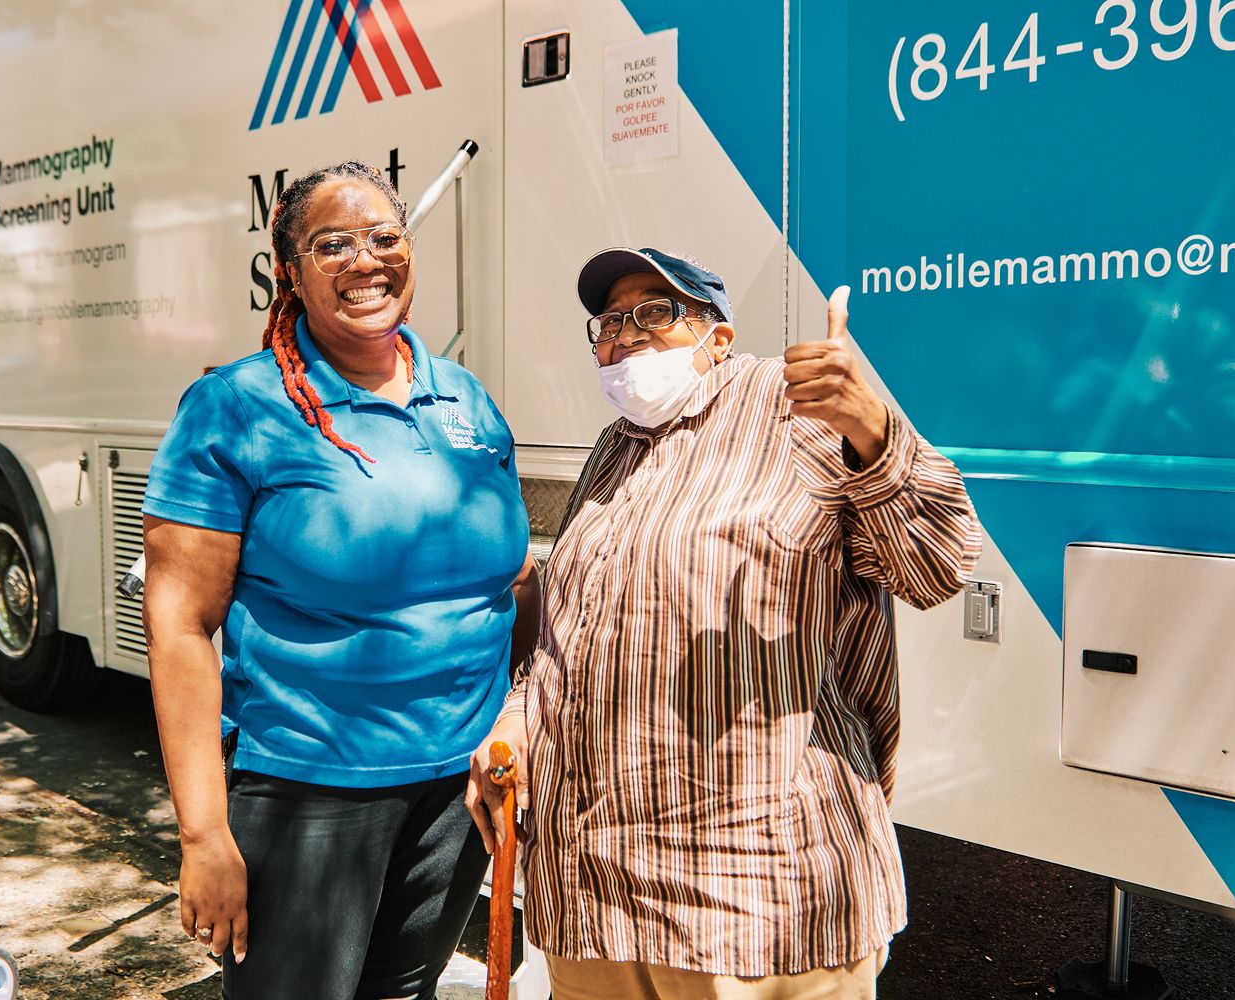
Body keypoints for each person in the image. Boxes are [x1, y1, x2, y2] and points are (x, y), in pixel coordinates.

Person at [466, 248, 981, 999]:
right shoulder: (617, 446)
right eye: (608, 322)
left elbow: (936, 566)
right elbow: (565, 633)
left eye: (655, 312)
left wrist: (873, 427)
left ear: (719, 337)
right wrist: (517, 721)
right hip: (592, 898)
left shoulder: (795, 413)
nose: (625, 335)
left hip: (752, 905)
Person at [141, 160, 536, 1000]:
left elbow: (512, 584)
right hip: (311, 794)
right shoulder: (235, 408)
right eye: (333, 246)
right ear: (289, 273)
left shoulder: (465, 399)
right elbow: (179, 624)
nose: (367, 261)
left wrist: (516, 720)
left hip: (458, 792)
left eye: (385, 237)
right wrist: (205, 834)